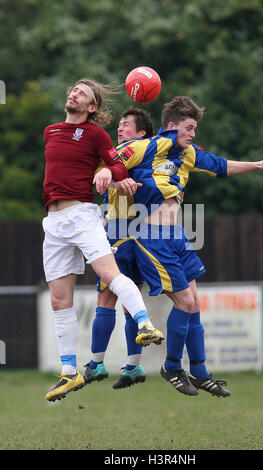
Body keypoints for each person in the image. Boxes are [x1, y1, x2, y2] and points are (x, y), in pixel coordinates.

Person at [94, 96, 263, 397]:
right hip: (151, 237)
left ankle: (200, 372)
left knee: (195, 305)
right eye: (189, 128)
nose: (193, 134)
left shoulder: (189, 153)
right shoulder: (146, 147)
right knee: (184, 302)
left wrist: (259, 164)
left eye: (194, 128)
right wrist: (106, 173)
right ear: (171, 126)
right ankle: (171, 367)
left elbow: (222, 166)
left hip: (178, 236)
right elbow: (109, 160)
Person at [42, 80, 164, 402]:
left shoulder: (95, 134)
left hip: (83, 215)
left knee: (110, 276)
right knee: (59, 301)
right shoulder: (50, 132)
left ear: (92, 107)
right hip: (54, 223)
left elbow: (119, 164)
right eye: (72, 90)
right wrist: (114, 176)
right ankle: (69, 373)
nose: (73, 94)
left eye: (81, 93)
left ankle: (145, 324)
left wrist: (111, 173)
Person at [84, 107, 155, 389]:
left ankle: (96, 364)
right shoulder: (144, 155)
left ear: (142, 133)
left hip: (118, 232)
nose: (119, 128)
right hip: (138, 231)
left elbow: (112, 180)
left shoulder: (129, 153)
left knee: (106, 299)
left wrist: (109, 177)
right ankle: (133, 367)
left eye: (126, 125)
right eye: (120, 125)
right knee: (131, 301)